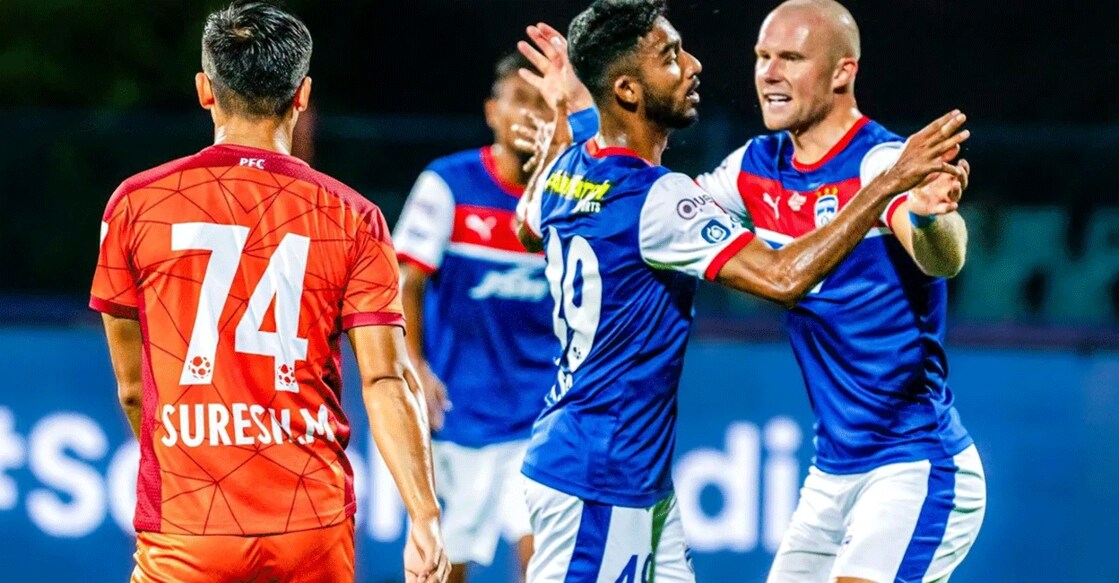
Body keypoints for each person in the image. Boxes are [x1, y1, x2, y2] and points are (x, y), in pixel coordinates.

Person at [519, 1, 984, 581]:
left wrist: (930, 215)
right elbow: (685, 223)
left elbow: (943, 256)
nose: (768, 73)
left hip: (913, 462)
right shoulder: (752, 169)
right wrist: (587, 106)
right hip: (808, 472)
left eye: (790, 58)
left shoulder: (880, 161)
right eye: (763, 56)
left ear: (842, 72)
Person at [89, 3, 449, 582]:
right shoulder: (354, 216)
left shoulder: (135, 204)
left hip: (190, 526)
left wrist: (192, 459)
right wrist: (424, 515)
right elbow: (386, 378)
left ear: (205, 90)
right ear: (301, 96)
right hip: (311, 525)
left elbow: (134, 392)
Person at [392, 52, 571, 583]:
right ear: (493, 112)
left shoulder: (567, 199)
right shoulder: (448, 183)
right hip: (458, 414)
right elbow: (405, 280)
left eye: (544, 104)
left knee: (545, 565)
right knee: (445, 567)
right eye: (519, 101)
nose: (531, 115)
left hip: (539, 415)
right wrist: (413, 366)